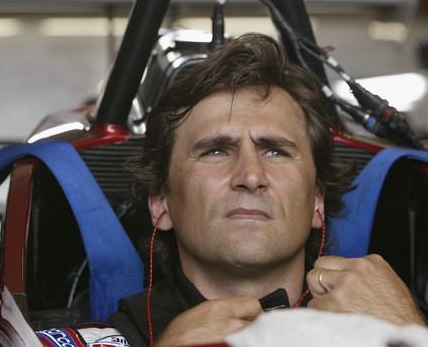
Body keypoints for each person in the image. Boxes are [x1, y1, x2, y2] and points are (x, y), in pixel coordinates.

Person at [105, 33, 427, 346]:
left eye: (275, 151)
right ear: (161, 203)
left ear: (318, 202)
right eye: (216, 150)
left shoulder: (395, 327)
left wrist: (408, 331)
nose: (250, 175)